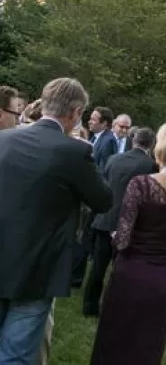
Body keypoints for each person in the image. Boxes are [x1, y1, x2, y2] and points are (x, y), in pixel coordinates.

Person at [0, 77, 113, 363]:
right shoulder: (74, 151)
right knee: (17, 354)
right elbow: (103, 200)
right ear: (76, 113)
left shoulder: (4, 138)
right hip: (38, 266)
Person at [90, 122, 166, 364]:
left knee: (115, 341)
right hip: (165, 278)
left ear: (160, 145)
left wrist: (116, 238)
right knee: (148, 346)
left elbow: (122, 239)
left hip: (131, 271)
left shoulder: (141, 184)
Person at [82, 127, 156, 317]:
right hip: (129, 221)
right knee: (122, 269)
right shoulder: (150, 165)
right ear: (151, 144)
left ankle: (90, 305)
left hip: (105, 217)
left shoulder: (114, 159)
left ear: (133, 140)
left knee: (98, 266)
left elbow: (105, 183)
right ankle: (114, 307)